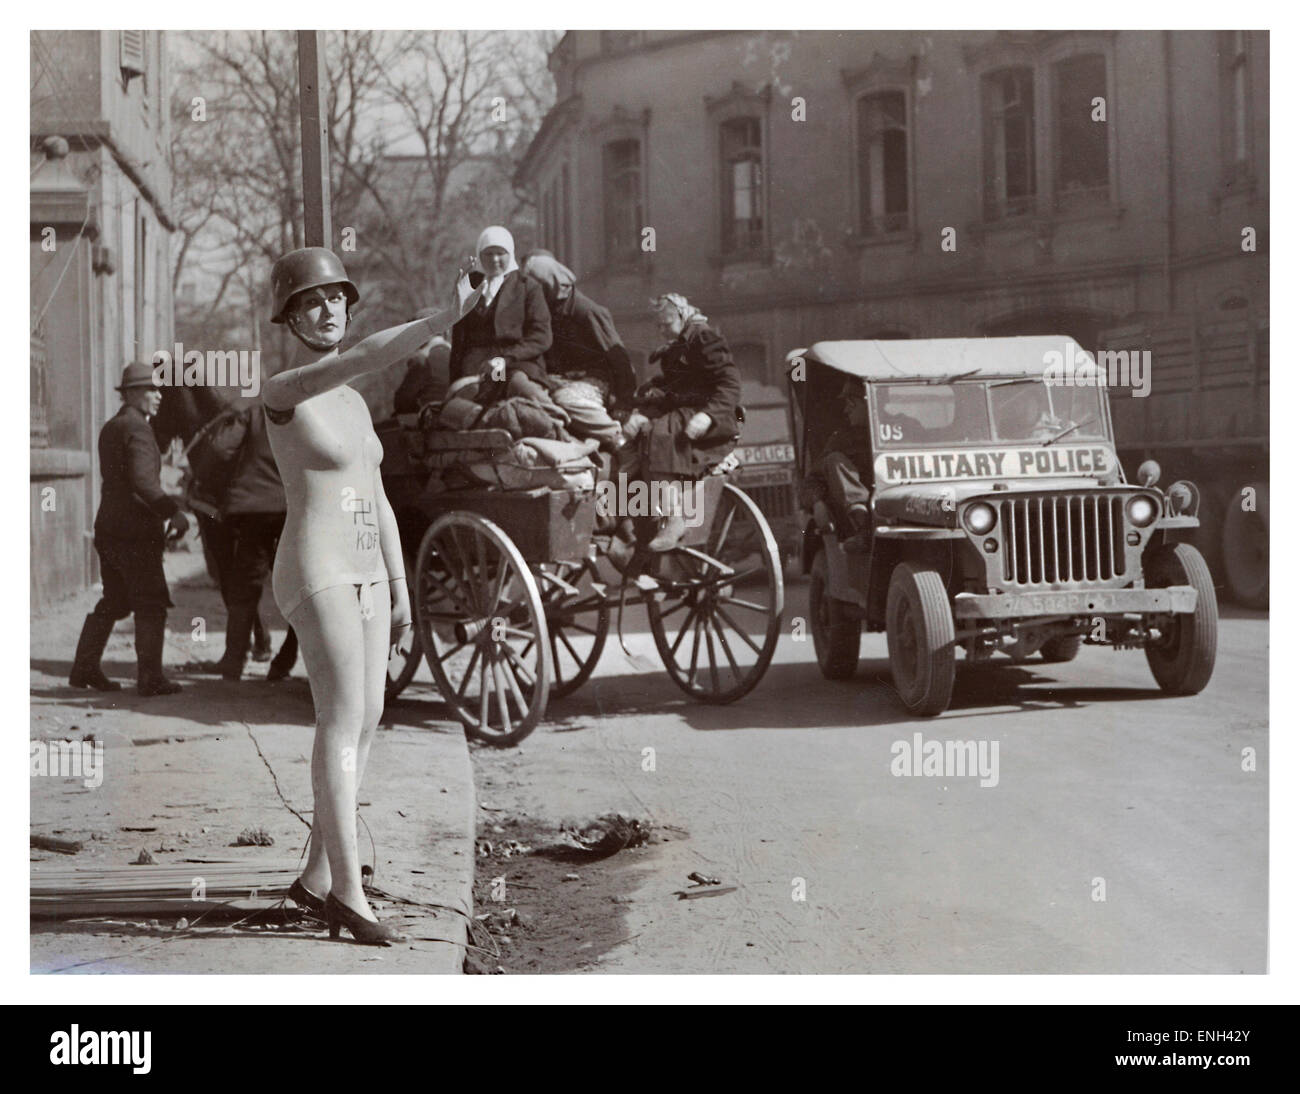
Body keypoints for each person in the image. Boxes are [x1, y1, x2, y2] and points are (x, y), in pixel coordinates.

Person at [262, 246, 478, 946]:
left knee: (368, 718)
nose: (327, 312)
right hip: (315, 566)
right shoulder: (288, 387)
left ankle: (317, 876)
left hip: (365, 569)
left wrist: (399, 584)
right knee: (340, 715)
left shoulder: (356, 403)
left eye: (335, 300)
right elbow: (360, 359)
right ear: (290, 319)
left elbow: (376, 498)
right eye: (310, 303)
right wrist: (444, 318)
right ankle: (350, 896)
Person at [69, 363, 190, 696]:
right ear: (133, 394)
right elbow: (142, 483)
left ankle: (83, 669)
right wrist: (174, 513)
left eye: (159, 390)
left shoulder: (113, 426)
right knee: (151, 604)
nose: (159, 396)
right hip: (134, 534)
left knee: (116, 600)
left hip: (109, 528)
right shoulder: (138, 430)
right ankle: (150, 678)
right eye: (151, 390)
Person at [620, 293, 742, 553]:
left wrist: (708, 415)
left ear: (683, 315)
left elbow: (729, 383)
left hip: (709, 415)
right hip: (685, 408)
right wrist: (655, 389)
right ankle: (641, 518)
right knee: (634, 438)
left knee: (660, 436)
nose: (662, 330)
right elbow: (681, 381)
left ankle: (675, 519)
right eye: (659, 326)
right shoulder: (679, 342)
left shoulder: (703, 337)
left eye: (666, 324)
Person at [196, 400, 299, 682]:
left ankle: (234, 661)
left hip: (257, 509)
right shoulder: (305, 411)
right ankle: (286, 660)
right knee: (301, 584)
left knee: (245, 584)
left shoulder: (254, 413)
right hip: (297, 507)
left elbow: (220, 449)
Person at [521, 251, 636, 448]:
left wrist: (624, 404)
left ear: (548, 285)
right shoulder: (545, 310)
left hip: (597, 381)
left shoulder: (587, 312)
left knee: (565, 400)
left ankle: (617, 437)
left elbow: (620, 361)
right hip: (561, 379)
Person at [448, 226, 551, 399]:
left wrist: (507, 358)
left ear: (510, 254)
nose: (495, 259)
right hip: (475, 368)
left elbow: (541, 335)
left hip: (517, 364)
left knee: (523, 390)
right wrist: (454, 379)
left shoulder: (527, 287)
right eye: (488, 254)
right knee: (462, 402)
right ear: (479, 255)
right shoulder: (469, 286)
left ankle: (555, 420)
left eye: (500, 253)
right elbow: (459, 339)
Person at [803, 377, 874, 548]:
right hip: (856, 519)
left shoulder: (903, 427)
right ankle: (862, 523)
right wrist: (817, 502)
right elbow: (812, 480)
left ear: (869, 404)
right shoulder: (842, 439)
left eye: (852, 403)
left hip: (896, 504)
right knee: (834, 460)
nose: (846, 410)